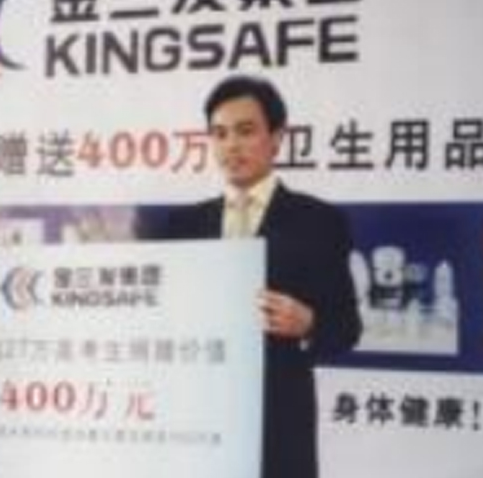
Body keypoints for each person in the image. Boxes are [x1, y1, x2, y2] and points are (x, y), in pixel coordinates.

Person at [137, 75, 362, 478]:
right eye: (220, 134)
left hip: (278, 425)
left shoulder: (319, 221)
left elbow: (347, 328)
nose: (231, 146)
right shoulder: (181, 226)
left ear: (276, 138)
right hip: (196, 423)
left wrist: (309, 323)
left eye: (245, 131)